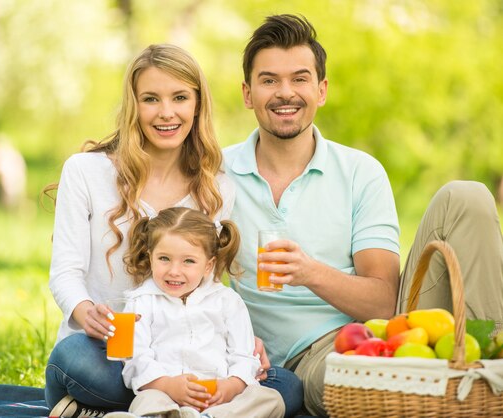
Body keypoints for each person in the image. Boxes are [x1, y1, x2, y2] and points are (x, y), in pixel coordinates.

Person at [223, 13, 503, 417]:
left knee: (468, 195)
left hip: (367, 330)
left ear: (321, 90)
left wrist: (309, 272)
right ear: (248, 94)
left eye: (299, 79)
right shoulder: (215, 173)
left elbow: (384, 302)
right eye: (269, 80)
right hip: (305, 359)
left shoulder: (359, 171)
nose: (286, 93)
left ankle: (491, 370)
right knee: (357, 375)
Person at [44, 43, 301, 418]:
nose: (167, 113)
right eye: (151, 99)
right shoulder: (86, 172)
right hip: (111, 354)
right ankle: (175, 405)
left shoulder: (214, 188)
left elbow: (206, 281)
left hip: (187, 357)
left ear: (197, 105)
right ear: (134, 105)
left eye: (180, 97)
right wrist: (86, 314)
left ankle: (119, 412)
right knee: (73, 358)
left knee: (287, 385)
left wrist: (238, 343)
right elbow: (64, 274)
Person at [106, 207, 295, 418]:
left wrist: (231, 386)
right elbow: (135, 358)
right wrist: (167, 385)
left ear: (208, 265)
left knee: (270, 399)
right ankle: (160, 415)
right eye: (164, 259)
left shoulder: (227, 301)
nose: (174, 270)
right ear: (151, 258)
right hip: (166, 393)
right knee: (147, 399)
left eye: (188, 261)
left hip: (219, 397)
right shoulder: (141, 301)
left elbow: (244, 355)